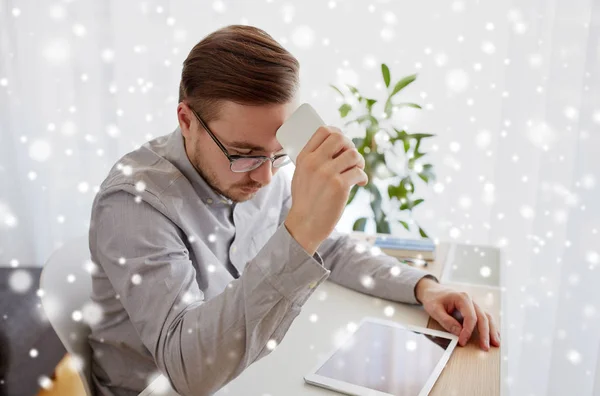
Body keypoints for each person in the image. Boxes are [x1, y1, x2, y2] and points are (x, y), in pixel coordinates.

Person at [88, 25, 500, 396]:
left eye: (279, 155)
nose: (266, 178)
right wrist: (301, 229)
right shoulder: (134, 203)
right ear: (186, 120)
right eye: (245, 155)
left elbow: (330, 248)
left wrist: (423, 287)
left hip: (246, 368)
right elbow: (190, 372)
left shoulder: (253, 169)